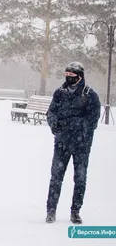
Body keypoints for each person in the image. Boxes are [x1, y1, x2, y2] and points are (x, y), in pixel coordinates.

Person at [45, 61, 101, 224]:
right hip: (61, 142)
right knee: (56, 177)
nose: (68, 77)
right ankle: (51, 210)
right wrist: (55, 125)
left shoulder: (90, 94)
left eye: (72, 75)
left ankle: (75, 211)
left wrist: (76, 127)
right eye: (66, 74)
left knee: (80, 178)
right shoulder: (59, 93)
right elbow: (51, 112)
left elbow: (93, 119)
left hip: (81, 145)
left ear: (79, 76)